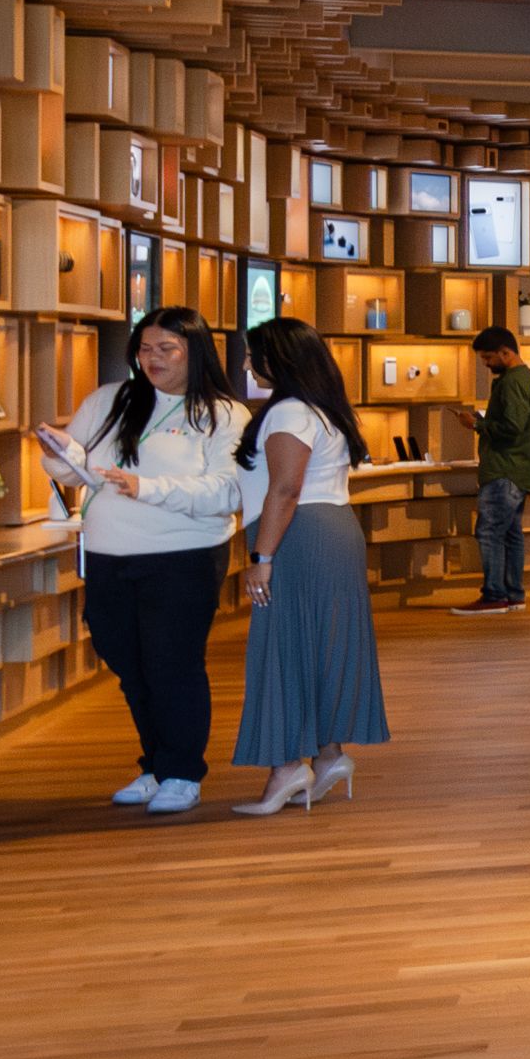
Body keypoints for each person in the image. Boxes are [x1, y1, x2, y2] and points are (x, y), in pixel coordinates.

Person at [55, 307, 254, 813]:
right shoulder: (110, 401)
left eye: (167, 349)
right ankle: (157, 765)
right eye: (145, 349)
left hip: (183, 556)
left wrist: (146, 487)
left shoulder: (223, 413)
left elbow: (227, 492)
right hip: (107, 554)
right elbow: (75, 472)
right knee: (129, 664)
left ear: (196, 352)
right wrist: (59, 454)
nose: (153, 359)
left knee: (173, 665)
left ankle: (182, 772)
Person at [227, 319, 388, 816]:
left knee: (282, 648)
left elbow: (285, 489)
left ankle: (286, 769)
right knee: (322, 646)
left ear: (280, 358)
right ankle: (328, 755)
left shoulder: (289, 412)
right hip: (332, 531)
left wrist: (261, 558)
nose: (248, 363)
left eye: (254, 354)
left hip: (299, 537)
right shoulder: (323, 409)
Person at [458, 324, 530, 616]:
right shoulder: (523, 378)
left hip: (504, 470)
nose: (486, 364)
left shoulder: (512, 382)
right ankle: (513, 595)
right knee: (511, 534)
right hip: (518, 470)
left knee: (490, 532)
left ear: (506, 353)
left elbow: (512, 427)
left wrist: (477, 425)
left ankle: (494, 595)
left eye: (488, 357)